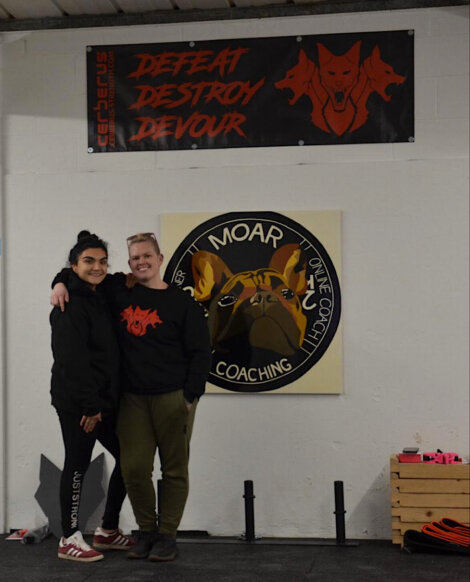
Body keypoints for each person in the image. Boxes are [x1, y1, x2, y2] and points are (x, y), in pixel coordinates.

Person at [51, 232, 211, 563]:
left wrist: (191, 395)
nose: (141, 261)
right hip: (109, 401)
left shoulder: (175, 301)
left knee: (160, 467)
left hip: (153, 398)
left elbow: (200, 351)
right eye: (135, 257)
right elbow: (80, 278)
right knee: (114, 465)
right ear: (129, 263)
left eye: (147, 256)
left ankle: (143, 533)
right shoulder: (99, 296)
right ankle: (108, 534)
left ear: (160, 258)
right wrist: (58, 284)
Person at [50, 231, 134, 563]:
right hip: (79, 402)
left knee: (131, 458)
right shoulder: (68, 303)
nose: (97, 267)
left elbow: (114, 278)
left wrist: (58, 279)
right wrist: (91, 406)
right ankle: (68, 538)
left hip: (103, 401)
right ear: (74, 265)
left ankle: (107, 530)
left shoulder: (99, 293)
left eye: (102, 261)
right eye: (88, 261)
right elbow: (73, 359)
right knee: (77, 464)